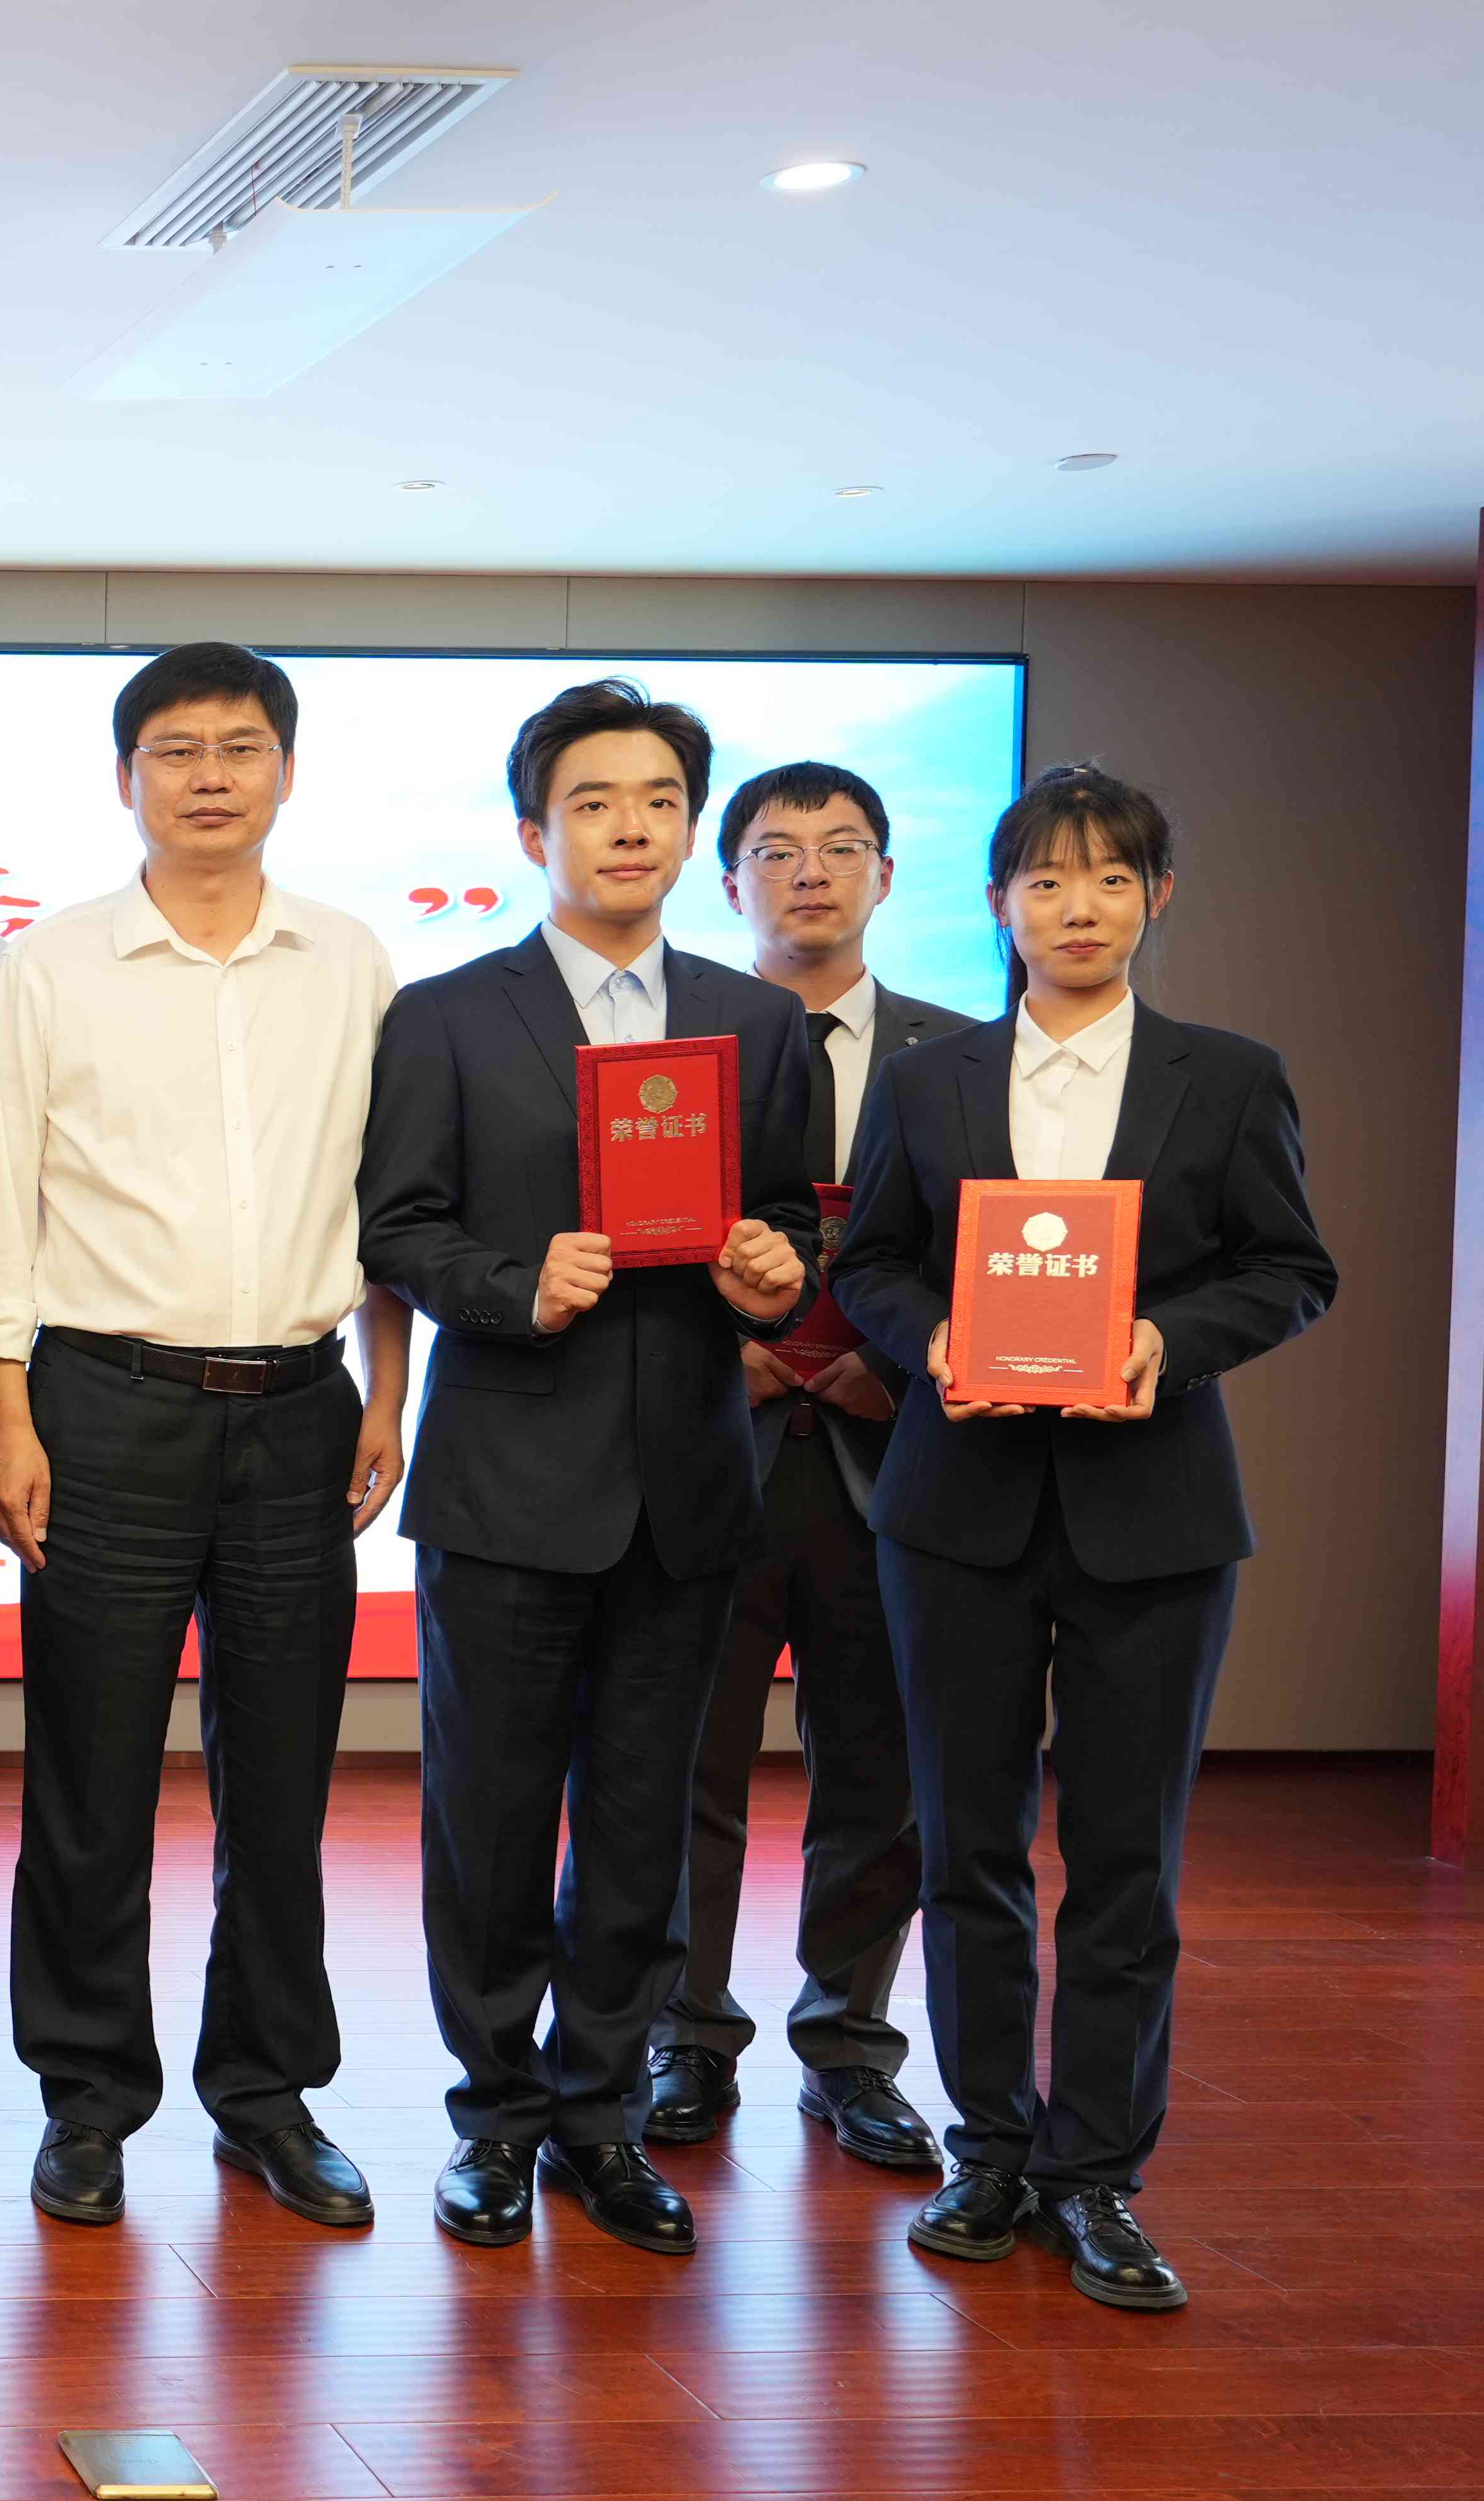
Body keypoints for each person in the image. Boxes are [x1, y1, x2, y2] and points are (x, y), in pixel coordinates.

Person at [830, 765, 1332, 2313]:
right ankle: (989, 2148)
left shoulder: (1228, 1077)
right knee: (966, 1847)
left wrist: (1164, 1343)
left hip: (1156, 1515)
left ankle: (1097, 2173)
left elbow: (1289, 1269)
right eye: (1047, 881)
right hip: (956, 1511)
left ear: (1157, 897)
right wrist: (937, 1342)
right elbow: (871, 1264)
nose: (1080, 907)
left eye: (1113, 878)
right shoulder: (928, 1080)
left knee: (1126, 1860)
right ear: (1000, 905)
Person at [359, 679, 817, 2258]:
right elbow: (397, 1226)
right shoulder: (445, 1015)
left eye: (661, 801)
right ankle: (494, 2118)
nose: (632, 827)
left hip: (687, 1485)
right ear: (531, 832)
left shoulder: (756, 1021)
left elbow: (794, 1227)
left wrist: (776, 1272)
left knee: (641, 1823)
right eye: (596, 802)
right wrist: (511, 1284)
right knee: (488, 1821)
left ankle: (602, 2117)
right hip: (505, 1482)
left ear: (693, 831)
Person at [0, 644, 407, 2233]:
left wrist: (389, 1390)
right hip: (104, 1406)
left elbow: (390, 1196)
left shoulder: (350, 959)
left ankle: (267, 2092)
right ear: (126, 777)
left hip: (301, 1408)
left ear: (286, 769)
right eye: (174, 748)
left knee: (281, 1776)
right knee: (90, 1775)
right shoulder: (55, 964)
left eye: (239, 746)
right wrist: (6, 1415)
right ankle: (87, 2097)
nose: (209, 774)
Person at [644, 762, 972, 2166]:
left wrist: (899, 1368)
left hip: (894, 1452)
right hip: (710, 1446)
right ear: (730, 885)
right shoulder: (671, 1042)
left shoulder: (964, 1056)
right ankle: (684, 2034)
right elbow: (631, 1231)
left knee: (880, 1774)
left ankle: (848, 2044)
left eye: (843, 847)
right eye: (777, 851)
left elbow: (988, 1246)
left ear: (887, 877)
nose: (812, 872)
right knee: (680, 1762)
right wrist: (723, 1356)